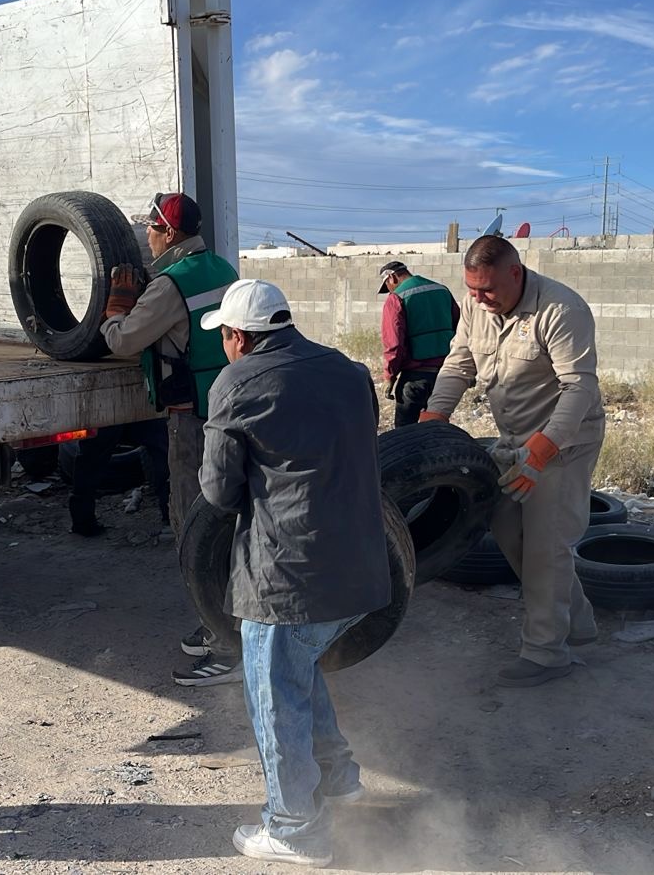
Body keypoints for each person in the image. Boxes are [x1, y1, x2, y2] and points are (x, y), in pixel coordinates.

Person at [197, 279, 390, 868]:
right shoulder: (348, 371)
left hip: (288, 577)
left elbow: (217, 490)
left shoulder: (237, 382)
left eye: (225, 338)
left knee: (274, 696)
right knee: (297, 668)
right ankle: (338, 778)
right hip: (361, 568)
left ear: (239, 336)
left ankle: (294, 830)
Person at [420, 235, 605, 687]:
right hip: (511, 441)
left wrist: (542, 451)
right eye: (472, 289)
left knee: (546, 546)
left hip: (564, 444)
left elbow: (578, 387)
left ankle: (546, 653)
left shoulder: (561, 310)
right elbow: (458, 364)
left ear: (515, 273)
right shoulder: (474, 306)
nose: (479, 299)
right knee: (509, 531)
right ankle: (578, 626)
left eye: (487, 289)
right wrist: (433, 416)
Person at [100, 192, 240, 686]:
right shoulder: (223, 268)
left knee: (194, 525)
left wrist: (118, 304)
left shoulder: (169, 286)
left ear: (171, 234)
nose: (148, 238)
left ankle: (229, 645)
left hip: (190, 419)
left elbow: (122, 341)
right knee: (228, 519)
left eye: (153, 230)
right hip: (228, 407)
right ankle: (219, 621)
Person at [377, 260, 460, 426]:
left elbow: (394, 344)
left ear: (391, 278)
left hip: (415, 378)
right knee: (436, 428)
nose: (390, 291)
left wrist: (389, 376)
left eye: (388, 287)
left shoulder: (396, 298)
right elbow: (461, 330)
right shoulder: (442, 290)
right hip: (445, 376)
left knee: (405, 434)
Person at [66, 418, 171, 537]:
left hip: (114, 412)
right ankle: (171, 514)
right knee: (161, 449)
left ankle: (83, 522)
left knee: (90, 462)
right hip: (116, 412)